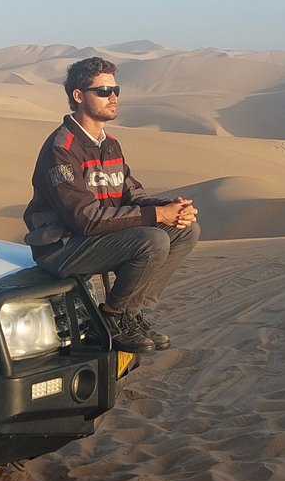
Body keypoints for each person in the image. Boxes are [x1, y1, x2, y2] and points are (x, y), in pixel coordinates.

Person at [23, 56, 199, 353]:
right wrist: (157, 215)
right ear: (78, 96)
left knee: (185, 231)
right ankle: (112, 318)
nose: (113, 96)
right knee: (152, 239)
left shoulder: (110, 145)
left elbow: (131, 196)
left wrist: (172, 207)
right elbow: (86, 219)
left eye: (115, 90)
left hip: (95, 240)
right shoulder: (62, 149)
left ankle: (131, 313)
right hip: (62, 247)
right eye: (103, 91)